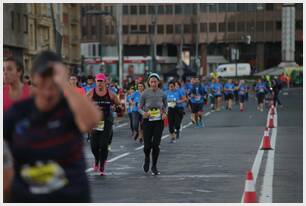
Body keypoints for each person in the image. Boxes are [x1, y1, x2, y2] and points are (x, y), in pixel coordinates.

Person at [4, 50, 101, 202]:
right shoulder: (17, 113)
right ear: (35, 79)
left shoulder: (70, 108)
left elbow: (91, 121)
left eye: (53, 86)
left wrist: (64, 83)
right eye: (43, 84)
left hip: (71, 197)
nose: (48, 93)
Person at [88, 73, 121, 176]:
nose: (99, 83)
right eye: (98, 81)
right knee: (94, 146)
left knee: (103, 144)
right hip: (95, 121)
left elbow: (119, 105)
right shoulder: (90, 93)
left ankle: (102, 164)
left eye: (101, 81)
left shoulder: (111, 94)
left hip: (107, 121)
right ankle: (97, 160)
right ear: (95, 82)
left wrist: (117, 108)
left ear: (105, 82)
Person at [139, 73, 167, 175]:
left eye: (155, 81)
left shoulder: (162, 94)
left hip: (158, 121)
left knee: (156, 145)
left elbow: (166, 106)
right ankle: (147, 158)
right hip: (147, 121)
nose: (154, 83)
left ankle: (154, 166)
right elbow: (139, 108)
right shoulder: (145, 93)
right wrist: (144, 113)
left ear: (158, 82)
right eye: (152, 82)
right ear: (149, 83)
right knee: (147, 146)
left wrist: (165, 113)